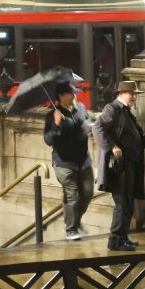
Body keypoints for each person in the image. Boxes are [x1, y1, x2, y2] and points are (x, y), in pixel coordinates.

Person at [92, 80, 145, 251]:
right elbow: (97, 129)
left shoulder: (126, 112)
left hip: (130, 165)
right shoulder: (112, 109)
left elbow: (131, 139)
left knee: (127, 202)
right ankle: (115, 240)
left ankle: (123, 237)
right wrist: (112, 147)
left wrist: (144, 139)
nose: (134, 96)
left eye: (135, 94)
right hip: (120, 167)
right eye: (131, 93)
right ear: (120, 94)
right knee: (122, 203)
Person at [43, 81, 94, 241]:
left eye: (75, 92)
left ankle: (76, 221)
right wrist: (57, 124)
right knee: (71, 194)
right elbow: (48, 140)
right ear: (61, 96)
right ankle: (71, 230)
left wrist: (91, 127)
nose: (75, 95)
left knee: (87, 193)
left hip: (83, 160)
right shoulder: (53, 115)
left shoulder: (81, 108)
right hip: (64, 163)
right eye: (71, 93)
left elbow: (88, 123)